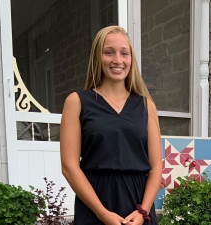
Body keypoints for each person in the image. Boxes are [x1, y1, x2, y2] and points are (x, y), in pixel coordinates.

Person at [60, 25, 162, 225]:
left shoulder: (146, 105)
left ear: (131, 59)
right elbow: (69, 166)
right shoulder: (77, 101)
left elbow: (156, 166)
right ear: (98, 57)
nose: (118, 60)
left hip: (138, 205)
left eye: (124, 53)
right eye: (109, 52)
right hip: (95, 205)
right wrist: (102, 214)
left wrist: (143, 212)